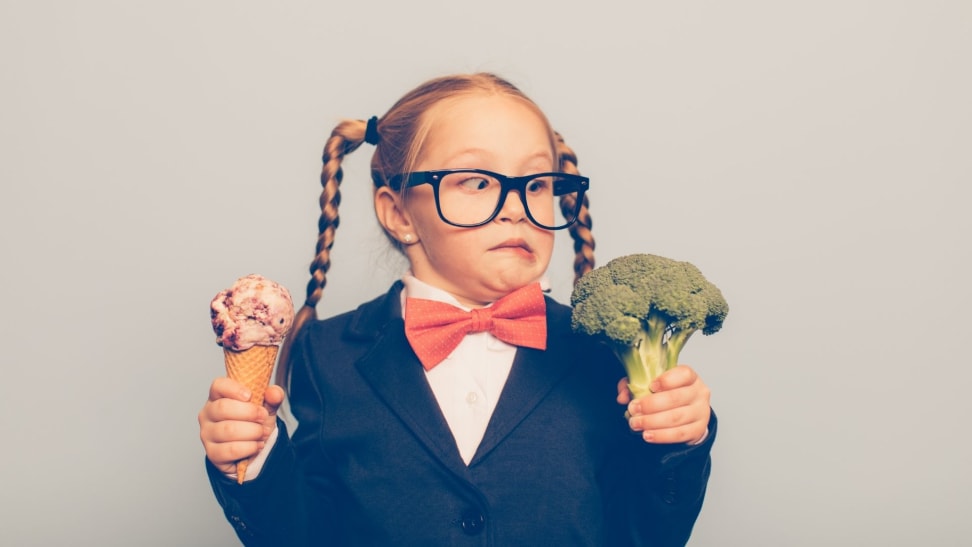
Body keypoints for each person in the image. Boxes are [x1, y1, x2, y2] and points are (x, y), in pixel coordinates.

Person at [199, 72, 716, 546]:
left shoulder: (606, 350)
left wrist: (676, 444)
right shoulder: (325, 354)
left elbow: (645, 533)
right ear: (399, 213)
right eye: (478, 180)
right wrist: (252, 457)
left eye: (536, 184)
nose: (517, 206)